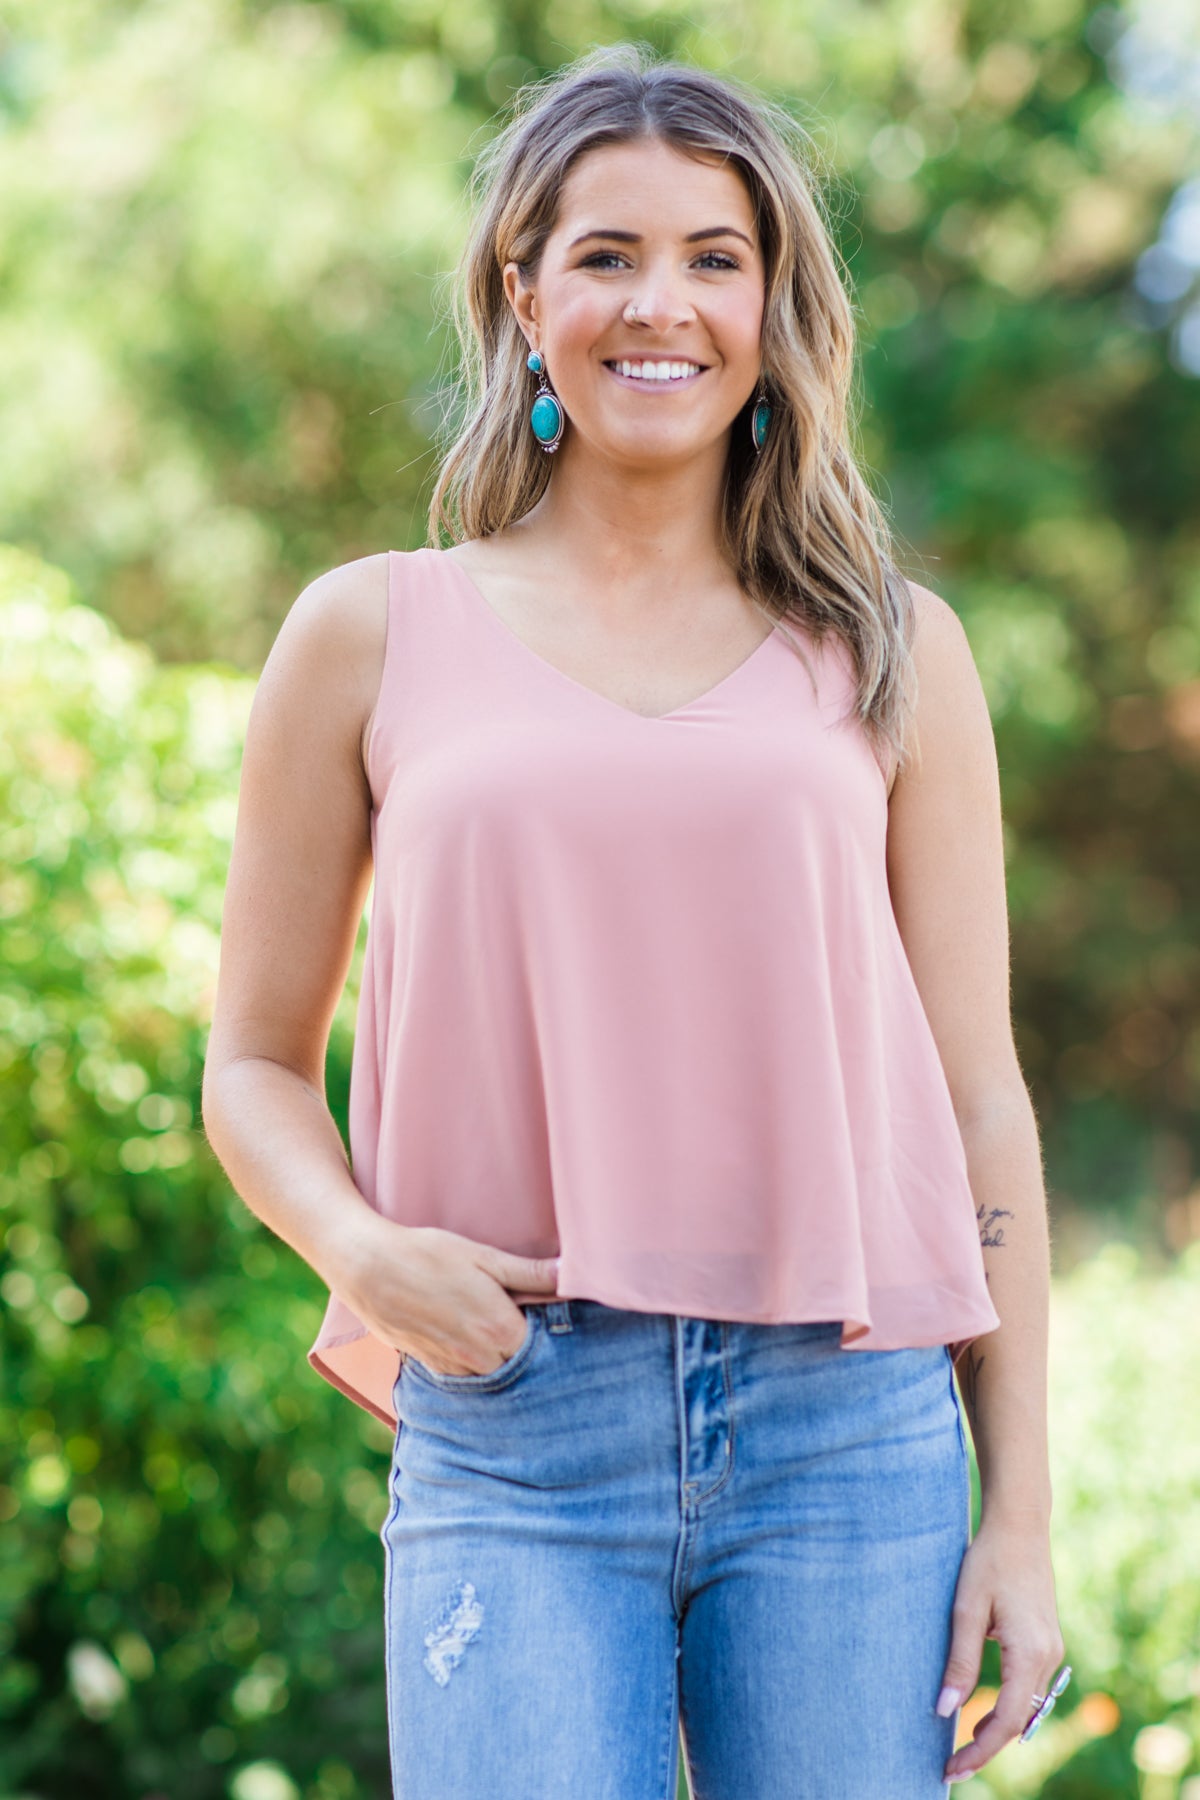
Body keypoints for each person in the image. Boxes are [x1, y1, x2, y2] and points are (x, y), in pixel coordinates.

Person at [201, 43, 1066, 1799]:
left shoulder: (897, 654)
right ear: (526, 296)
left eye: (713, 255)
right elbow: (250, 1066)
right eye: (605, 255)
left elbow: (980, 1097)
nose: (658, 302)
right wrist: (357, 1254)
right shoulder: (368, 633)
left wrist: (1024, 1516)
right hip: (515, 1423)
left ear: (771, 308)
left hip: (852, 1432)